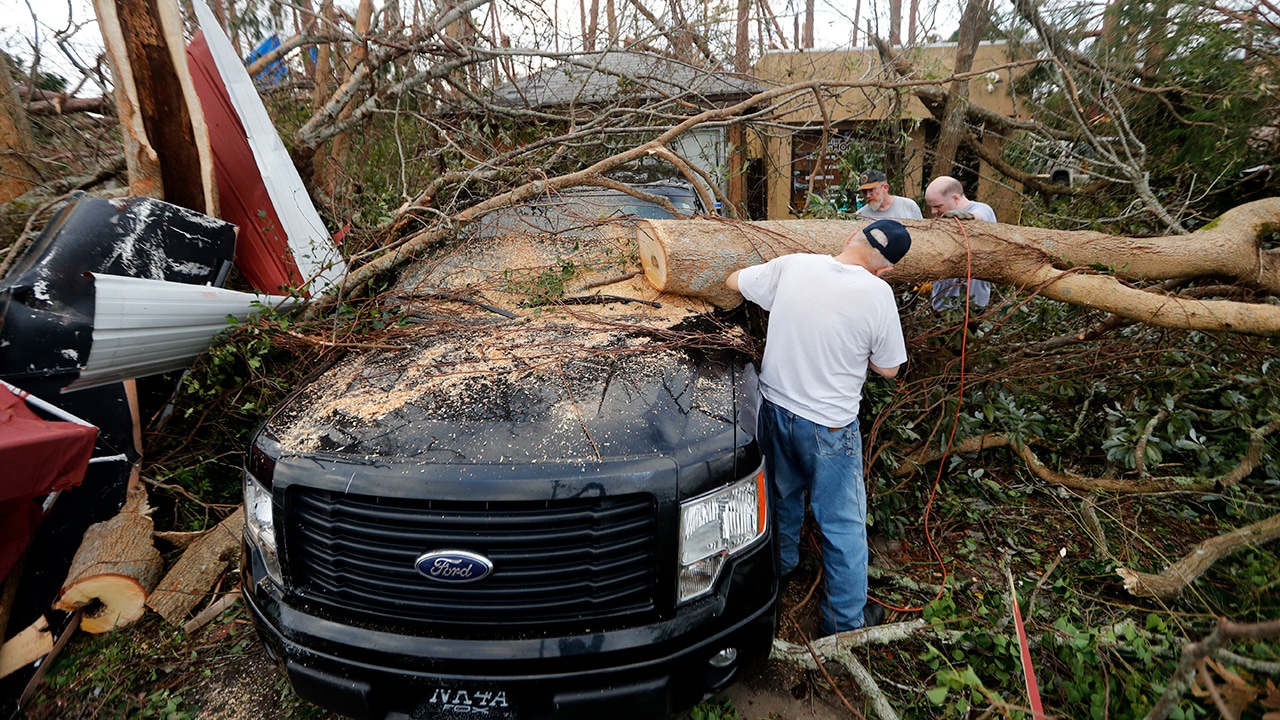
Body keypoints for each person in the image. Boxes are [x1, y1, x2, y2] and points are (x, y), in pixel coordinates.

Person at [725, 219, 911, 634]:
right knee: (842, 524)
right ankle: (843, 623)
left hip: (774, 411)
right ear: (886, 269)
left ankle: (781, 567)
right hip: (829, 427)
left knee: (781, 497)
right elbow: (889, 369)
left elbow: (734, 279)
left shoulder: (794, 265)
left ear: (851, 237)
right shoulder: (878, 294)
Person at [924, 176, 996, 312]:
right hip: (940, 306)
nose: (933, 212)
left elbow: (981, 216)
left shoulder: (982, 209)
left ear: (955, 198)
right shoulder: (943, 219)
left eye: (937, 206)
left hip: (970, 308)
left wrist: (968, 217)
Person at [855, 170, 922, 221]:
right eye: (864, 192)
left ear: (885, 187)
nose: (868, 195)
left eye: (871, 190)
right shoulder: (860, 216)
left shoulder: (908, 206)